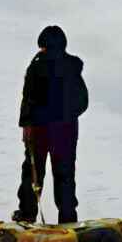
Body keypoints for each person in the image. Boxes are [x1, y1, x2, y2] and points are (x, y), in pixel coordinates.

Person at [14, 25, 89, 224]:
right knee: (65, 175)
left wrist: (27, 126)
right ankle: (68, 218)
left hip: (40, 131)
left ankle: (27, 214)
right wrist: (67, 116)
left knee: (33, 173)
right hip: (65, 132)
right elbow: (83, 101)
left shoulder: (37, 66)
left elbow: (28, 98)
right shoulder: (72, 67)